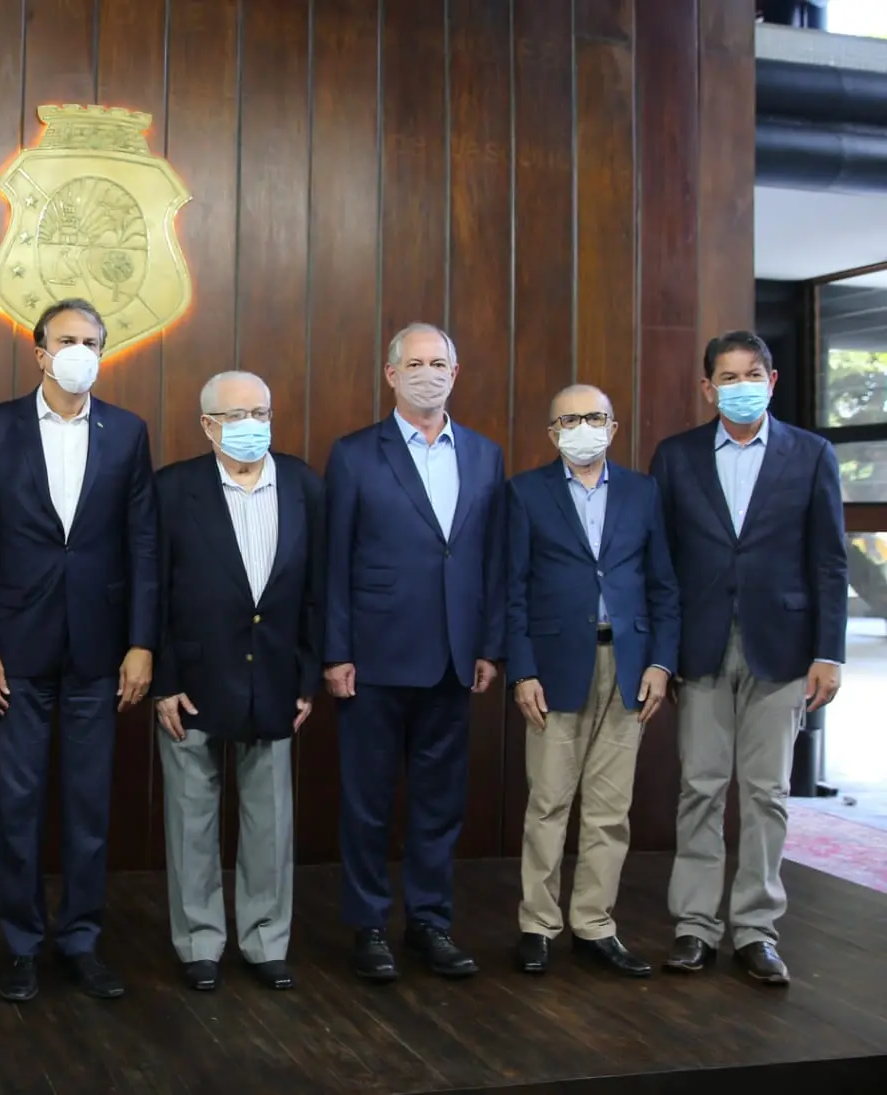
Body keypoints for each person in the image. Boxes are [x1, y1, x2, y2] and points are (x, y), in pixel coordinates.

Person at [0, 297, 158, 1002]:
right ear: (39, 352)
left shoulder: (128, 433)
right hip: (14, 651)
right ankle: (20, 944)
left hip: (100, 652)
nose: (80, 349)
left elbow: (142, 545)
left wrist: (140, 643)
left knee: (87, 805)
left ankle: (80, 938)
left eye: (92, 340)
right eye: (66, 339)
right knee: (16, 805)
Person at [650, 331, 847, 986]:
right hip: (700, 644)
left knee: (767, 793)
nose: (740, 384)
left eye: (752, 372)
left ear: (772, 378)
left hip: (785, 649)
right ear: (707, 387)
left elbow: (829, 558)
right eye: (726, 375)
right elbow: (663, 563)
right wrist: (661, 648)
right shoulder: (675, 457)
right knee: (700, 786)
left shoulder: (812, 454)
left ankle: (757, 928)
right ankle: (696, 926)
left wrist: (830, 652)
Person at [322, 322, 505, 982]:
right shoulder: (354, 454)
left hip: (456, 656)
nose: (429, 372)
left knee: (439, 802)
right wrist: (335, 650)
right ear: (391, 374)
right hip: (371, 657)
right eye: (416, 362)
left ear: (455, 374)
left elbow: (491, 558)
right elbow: (334, 559)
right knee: (367, 801)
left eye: (440, 362)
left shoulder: (485, 454)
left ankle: (430, 921)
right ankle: (368, 925)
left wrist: (490, 643)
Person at [152, 371, 324, 993]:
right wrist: (162, 680)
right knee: (191, 816)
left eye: (261, 411)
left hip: (276, 675)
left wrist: (307, 675)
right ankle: (199, 941)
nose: (251, 425)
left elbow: (315, 591)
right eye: (235, 415)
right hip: (192, 680)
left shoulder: (303, 483)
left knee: (270, 817)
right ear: (208, 426)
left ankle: (265, 939)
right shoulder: (173, 489)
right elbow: (154, 592)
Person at [506, 384, 680, 978]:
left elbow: (664, 586)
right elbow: (512, 590)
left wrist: (661, 663)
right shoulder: (526, 493)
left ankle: (595, 924)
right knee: (549, 801)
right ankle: (538, 924)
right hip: (555, 668)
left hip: (628, 664)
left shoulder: (643, 491)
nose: (585, 427)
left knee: (610, 810)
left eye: (596, 417)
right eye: (571, 419)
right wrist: (521, 668)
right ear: (553, 433)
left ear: (613, 425)